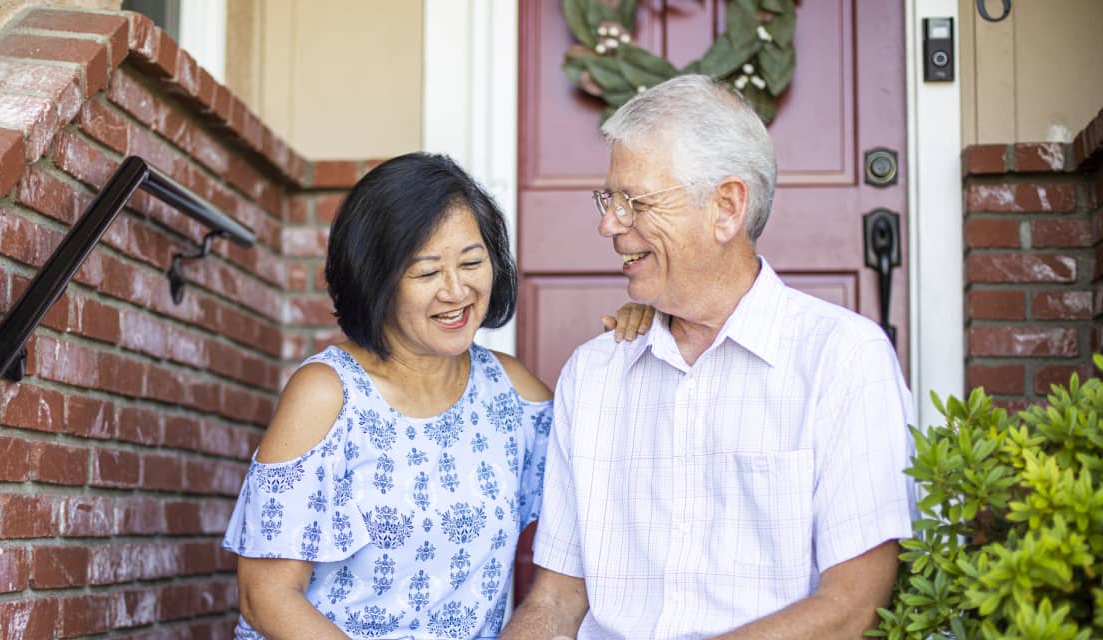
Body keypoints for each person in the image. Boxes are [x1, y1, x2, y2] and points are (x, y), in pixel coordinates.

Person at [501, 75, 916, 639]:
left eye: (634, 202)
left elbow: (852, 608)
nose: (608, 224)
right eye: (608, 200)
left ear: (726, 207)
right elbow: (557, 598)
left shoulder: (844, 361)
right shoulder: (595, 374)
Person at [222, 152, 648, 640]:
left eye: (472, 262)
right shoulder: (327, 395)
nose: (457, 290)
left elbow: (611, 484)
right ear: (375, 280)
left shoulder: (512, 394)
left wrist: (649, 333)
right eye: (427, 273)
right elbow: (266, 597)